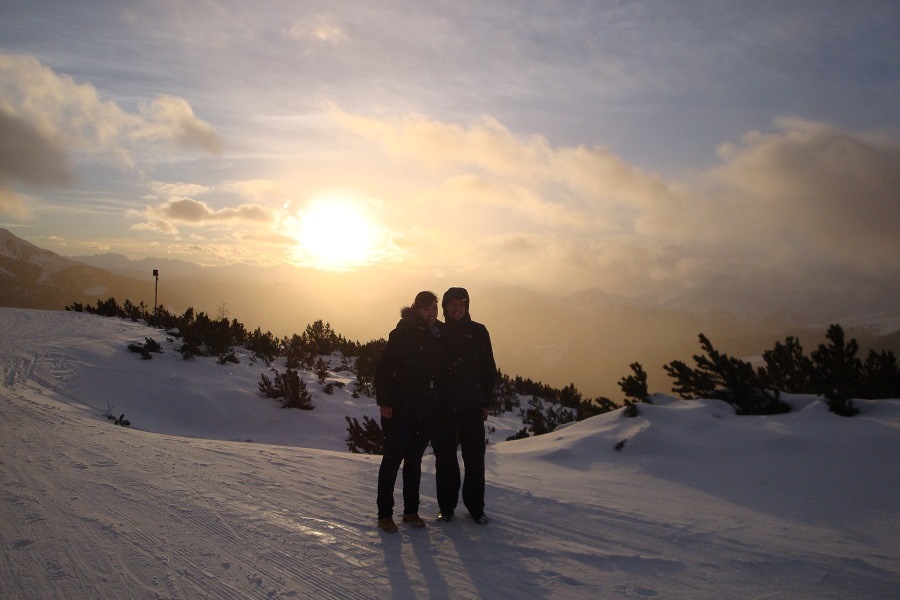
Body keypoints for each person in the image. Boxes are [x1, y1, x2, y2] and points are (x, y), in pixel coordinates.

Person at [374, 291, 445, 533]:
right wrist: (384, 403)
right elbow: (384, 370)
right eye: (426, 309)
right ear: (416, 310)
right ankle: (385, 515)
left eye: (434, 308)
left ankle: (410, 512)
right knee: (392, 461)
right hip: (400, 409)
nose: (431, 313)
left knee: (413, 462)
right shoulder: (401, 334)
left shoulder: (437, 335)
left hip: (424, 410)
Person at [432, 287, 497, 524]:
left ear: (467, 306)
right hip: (443, 407)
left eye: (461, 304)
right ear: (445, 308)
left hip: (471, 405)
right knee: (445, 459)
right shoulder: (437, 332)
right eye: (452, 304)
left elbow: (489, 370)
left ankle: (475, 508)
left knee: (474, 458)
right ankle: (446, 508)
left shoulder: (478, 331)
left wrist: (485, 402)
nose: (457, 308)